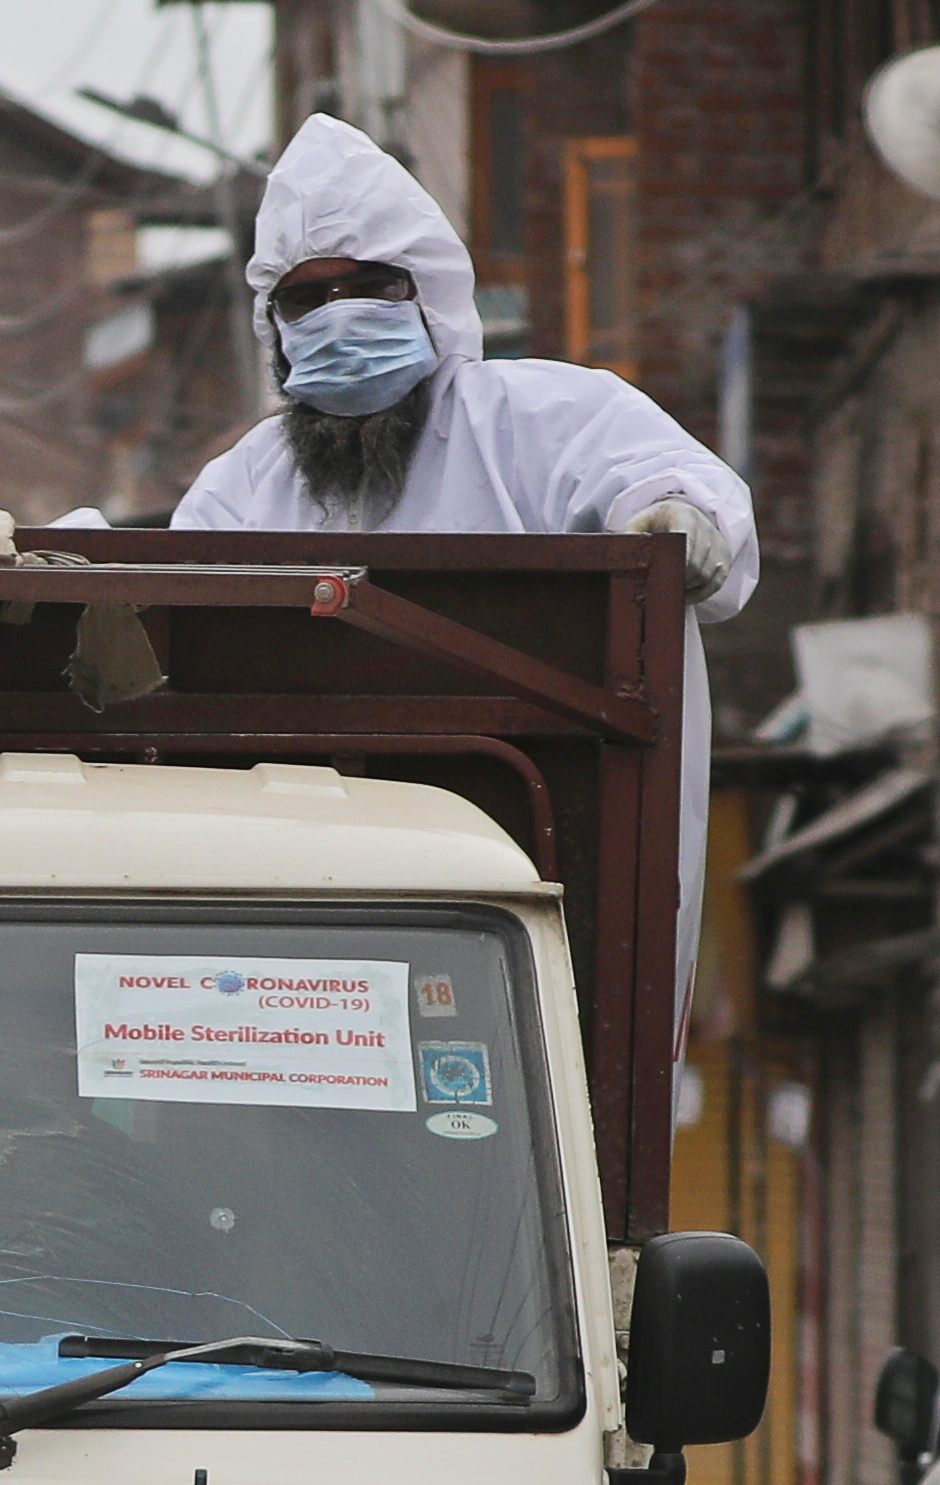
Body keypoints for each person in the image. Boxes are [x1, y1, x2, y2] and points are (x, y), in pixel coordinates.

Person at [171, 116, 759, 975]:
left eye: (368, 287)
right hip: (300, 885)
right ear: (275, 326)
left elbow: (662, 481)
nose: (338, 318)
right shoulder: (244, 482)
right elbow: (178, 618)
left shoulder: (543, 416)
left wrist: (677, 523)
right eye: (307, 298)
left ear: (427, 294)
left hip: (542, 853)